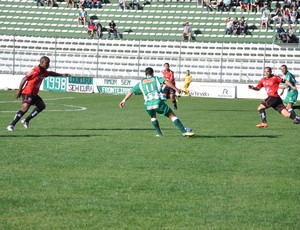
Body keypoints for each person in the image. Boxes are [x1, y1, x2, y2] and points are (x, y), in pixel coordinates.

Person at [119, 67, 195, 137]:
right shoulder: (156, 78)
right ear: (153, 73)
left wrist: (124, 100)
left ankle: (159, 134)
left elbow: (131, 91)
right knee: (172, 116)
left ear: (145, 74)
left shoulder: (141, 82)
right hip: (157, 102)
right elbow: (167, 82)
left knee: (153, 117)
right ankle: (184, 132)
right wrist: (176, 89)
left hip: (148, 104)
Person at [7, 56, 70, 131]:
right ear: (42, 62)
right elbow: (24, 79)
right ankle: (11, 125)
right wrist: (19, 91)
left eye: (49, 63)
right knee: (24, 108)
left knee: (42, 106)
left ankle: (26, 120)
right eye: (47, 63)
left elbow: (50, 73)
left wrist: (61, 75)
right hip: (28, 92)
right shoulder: (35, 70)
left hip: (34, 94)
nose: (48, 65)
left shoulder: (43, 71)